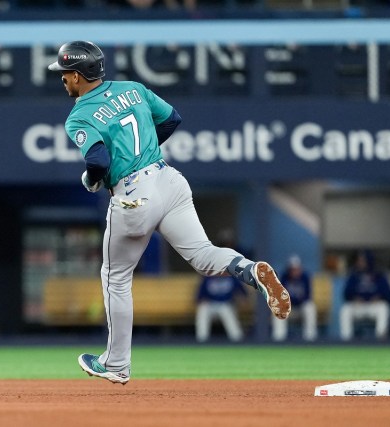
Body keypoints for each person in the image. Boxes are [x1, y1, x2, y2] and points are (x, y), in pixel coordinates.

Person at [48, 41, 291, 385]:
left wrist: (92, 179)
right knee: (205, 256)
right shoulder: (133, 89)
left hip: (133, 193)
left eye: (65, 74)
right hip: (167, 178)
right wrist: (142, 153)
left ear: (77, 75)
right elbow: (172, 118)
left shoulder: (79, 115)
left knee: (115, 278)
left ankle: (117, 363)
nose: (63, 80)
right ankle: (250, 270)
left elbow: (99, 161)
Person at [339, 250, 390, 341]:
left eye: (362, 260)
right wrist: (354, 298)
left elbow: (389, 296)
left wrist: (379, 297)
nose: (360, 262)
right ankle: (346, 340)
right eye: (359, 260)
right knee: (345, 309)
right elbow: (346, 294)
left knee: (383, 307)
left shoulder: (379, 275)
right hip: (358, 307)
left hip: (374, 307)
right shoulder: (354, 275)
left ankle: (380, 339)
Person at [271, 255, 317, 342]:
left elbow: (308, 296)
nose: (295, 271)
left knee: (310, 307)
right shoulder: (284, 277)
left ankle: (310, 338)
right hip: (289, 309)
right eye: (292, 269)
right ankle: (279, 339)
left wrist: (295, 299)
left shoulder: (305, 277)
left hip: (301, 308)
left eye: (296, 269)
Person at [195, 272, 248, 343]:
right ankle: (202, 339)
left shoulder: (231, 278)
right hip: (210, 304)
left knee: (227, 311)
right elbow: (199, 297)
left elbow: (242, 292)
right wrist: (203, 300)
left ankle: (237, 339)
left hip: (225, 304)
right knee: (203, 309)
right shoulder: (208, 278)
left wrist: (242, 300)